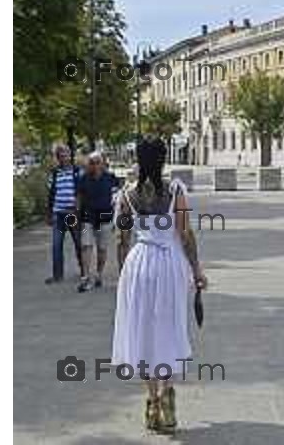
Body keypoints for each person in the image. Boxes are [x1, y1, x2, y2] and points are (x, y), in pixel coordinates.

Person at [112, 137, 207, 433]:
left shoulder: (127, 194)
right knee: (168, 329)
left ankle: (151, 401)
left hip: (139, 264)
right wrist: (197, 269)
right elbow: (185, 233)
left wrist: (122, 272)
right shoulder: (175, 189)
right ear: (164, 159)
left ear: (138, 159)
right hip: (169, 265)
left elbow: (121, 238)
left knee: (142, 331)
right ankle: (167, 398)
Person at [77, 151, 119, 292]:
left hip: (105, 217)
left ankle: (99, 274)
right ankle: (86, 277)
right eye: (92, 162)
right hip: (87, 217)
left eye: (97, 162)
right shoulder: (83, 178)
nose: (94, 165)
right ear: (88, 164)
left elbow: (117, 198)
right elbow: (78, 198)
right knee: (86, 246)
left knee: (102, 248)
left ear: (102, 163)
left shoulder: (110, 178)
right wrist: (77, 216)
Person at [45, 145, 82, 283]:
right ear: (57, 158)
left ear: (69, 155)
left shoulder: (77, 172)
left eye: (65, 155)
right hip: (58, 213)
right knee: (56, 245)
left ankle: (84, 270)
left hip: (73, 213)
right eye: (60, 155)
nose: (63, 158)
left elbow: (82, 191)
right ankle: (57, 275)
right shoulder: (54, 173)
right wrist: (48, 213)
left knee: (78, 243)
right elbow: (50, 194)